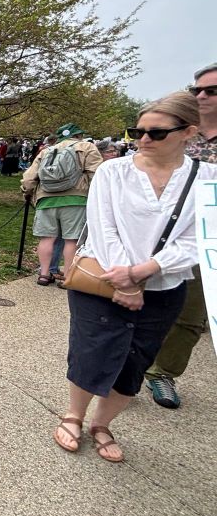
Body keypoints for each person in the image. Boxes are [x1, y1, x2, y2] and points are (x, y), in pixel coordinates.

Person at [53, 92, 216, 462]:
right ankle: (74, 414)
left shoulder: (207, 178)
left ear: (188, 131)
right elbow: (102, 226)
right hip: (102, 279)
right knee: (89, 351)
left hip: (164, 285)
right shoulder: (114, 171)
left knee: (135, 360)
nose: (143, 139)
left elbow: (201, 237)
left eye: (156, 133)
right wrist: (125, 278)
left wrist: (146, 271)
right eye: (137, 131)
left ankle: (103, 423)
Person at [144, 63, 217, 409]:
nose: (201, 96)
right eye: (196, 89)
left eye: (211, 91)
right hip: (158, 235)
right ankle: (125, 369)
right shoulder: (169, 131)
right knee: (139, 305)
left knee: (190, 315)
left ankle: (163, 373)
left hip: (208, 242)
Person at [21, 124, 102, 286]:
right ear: (79, 135)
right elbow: (97, 174)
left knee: (46, 239)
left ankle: (44, 274)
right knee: (71, 240)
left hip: (46, 199)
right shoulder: (87, 147)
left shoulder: (46, 151)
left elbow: (29, 177)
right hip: (76, 199)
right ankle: (68, 276)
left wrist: (27, 193)